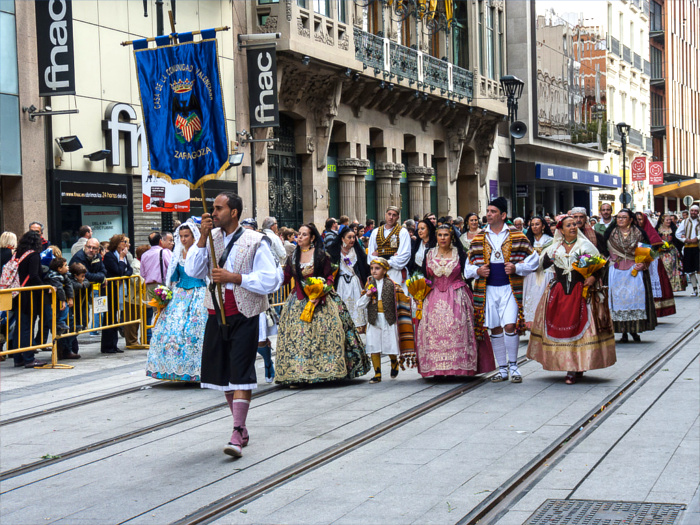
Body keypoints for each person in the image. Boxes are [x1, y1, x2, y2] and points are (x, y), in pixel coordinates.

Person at [185, 192, 283, 458]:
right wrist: (202, 238)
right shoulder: (210, 239)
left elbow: (272, 280)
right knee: (224, 371)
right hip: (215, 312)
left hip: (244, 313)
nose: (213, 213)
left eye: (219, 209)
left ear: (234, 212)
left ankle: (237, 430)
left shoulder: (256, 241)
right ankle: (240, 426)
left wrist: (235, 277)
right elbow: (192, 271)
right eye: (213, 208)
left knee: (240, 369)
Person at [274, 224, 370, 386]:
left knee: (326, 334)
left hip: (322, 300)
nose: (300, 237)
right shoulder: (293, 257)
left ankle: (328, 370)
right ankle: (298, 373)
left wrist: (322, 290)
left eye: (304, 235)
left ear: (312, 238)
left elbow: (330, 277)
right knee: (299, 338)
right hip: (298, 301)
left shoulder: (320, 256)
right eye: (299, 234)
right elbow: (285, 277)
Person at [527, 216, 616, 384]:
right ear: (561, 230)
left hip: (581, 291)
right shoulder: (554, 249)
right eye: (569, 225)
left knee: (580, 327)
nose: (573, 227)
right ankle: (570, 366)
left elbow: (601, 264)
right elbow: (539, 266)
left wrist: (594, 277)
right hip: (560, 293)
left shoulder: (585, 246)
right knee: (563, 329)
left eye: (574, 224)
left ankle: (575, 368)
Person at [465, 197, 539, 383]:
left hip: (510, 288)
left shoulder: (516, 235)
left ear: (503, 215)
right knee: (495, 327)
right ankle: (502, 368)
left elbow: (534, 259)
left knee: (510, 325)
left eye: (493, 212)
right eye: (488, 211)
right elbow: (467, 266)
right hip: (488, 288)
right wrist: (477, 271)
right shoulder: (480, 237)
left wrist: (517, 268)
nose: (488, 214)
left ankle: (514, 366)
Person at [416, 225, 487, 377]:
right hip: (433, 296)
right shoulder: (429, 254)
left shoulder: (460, 253)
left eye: (446, 235)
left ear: (451, 237)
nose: (443, 238)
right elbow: (424, 276)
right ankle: (436, 368)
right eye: (440, 235)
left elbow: (467, 273)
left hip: (456, 294)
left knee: (458, 327)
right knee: (432, 331)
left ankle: (458, 366)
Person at [147, 220, 207, 382]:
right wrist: (165, 292)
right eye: (180, 236)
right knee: (173, 330)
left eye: (186, 236)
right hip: (180, 294)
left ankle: (198, 370)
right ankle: (173, 368)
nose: (183, 239)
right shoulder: (177, 253)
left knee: (195, 331)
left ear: (194, 236)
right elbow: (173, 277)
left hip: (199, 293)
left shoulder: (200, 251)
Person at [604, 208, 657, 342]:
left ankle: (634, 330)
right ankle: (622, 332)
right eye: (618, 217)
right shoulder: (610, 232)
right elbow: (603, 249)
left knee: (634, 299)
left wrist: (644, 264)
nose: (620, 219)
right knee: (617, 301)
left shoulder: (639, 233)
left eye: (623, 217)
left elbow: (648, 251)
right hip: (616, 270)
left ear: (631, 220)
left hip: (634, 270)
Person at [357, 258, 412, 383]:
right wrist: (367, 295)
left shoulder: (392, 285)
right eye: (372, 268)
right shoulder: (369, 285)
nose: (374, 271)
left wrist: (416, 301)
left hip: (388, 319)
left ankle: (394, 361)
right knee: (373, 345)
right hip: (374, 319)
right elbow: (360, 305)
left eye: (377, 268)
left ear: (385, 270)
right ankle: (377, 374)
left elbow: (403, 299)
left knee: (389, 345)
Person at [8, 231, 47, 368]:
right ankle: (29, 358)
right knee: (27, 327)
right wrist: (47, 287)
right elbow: (34, 275)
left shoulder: (18, 253)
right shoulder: (34, 255)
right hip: (29, 296)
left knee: (20, 326)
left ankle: (18, 358)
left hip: (18, 294)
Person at [328, 227, 369, 333]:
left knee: (356, 305)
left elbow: (364, 267)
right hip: (341, 283)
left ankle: (358, 327)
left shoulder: (357, 251)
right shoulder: (335, 252)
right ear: (342, 238)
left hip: (354, 282)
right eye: (349, 237)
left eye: (353, 237)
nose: (352, 240)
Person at [636, 212, 676, 317]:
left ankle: (656, 310)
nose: (639, 222)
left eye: (640, 219)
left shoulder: (649, 231)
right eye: (637, 219)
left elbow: (654, 244)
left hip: (651, 263)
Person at [367, 206, 412, 293]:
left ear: (398, 217)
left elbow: (404, 254)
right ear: (385, 215)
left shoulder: (403, 232)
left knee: (395, 296)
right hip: (379, 272)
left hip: (395, 272)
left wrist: (385, 262)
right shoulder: (376, 232)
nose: (391, 217)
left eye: (394, 215)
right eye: (389, 214)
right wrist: (379, 264)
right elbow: (371, 255)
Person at [101, 234, 133, 354]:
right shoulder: (110, 256)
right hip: (110, 290)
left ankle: (114, 345)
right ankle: (107, 345)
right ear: (118, 243)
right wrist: (121, 260)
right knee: (109, 317)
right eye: (124, 242)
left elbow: (129, 270)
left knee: (115, 316)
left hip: (118, 289)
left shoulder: (124, 256)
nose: (126, 245)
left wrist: (124, 272)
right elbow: (118, 271)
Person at [140, 232, 173, 341]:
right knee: (164, 311)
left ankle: (147, 336)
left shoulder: (144, 255)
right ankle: (162, 335)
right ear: (160, 241)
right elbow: (171, 268)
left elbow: (142, 274)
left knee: (151, 312)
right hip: (162, 286)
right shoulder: (165, 252)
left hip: (149, 287)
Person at [522, 216, 554, 327]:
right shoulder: (527, 241)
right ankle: (531, 324)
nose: (535, 227)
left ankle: (545, 324)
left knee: (544, 298)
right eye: (532, 225)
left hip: (545, 272)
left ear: (543, 226)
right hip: (531, 274)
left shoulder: (550, 240)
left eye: (537, 224)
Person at [656, 214, 686, 292]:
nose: (669, 221)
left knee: (672, 269)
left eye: (670, 220)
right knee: (663, 269)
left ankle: (673, 287)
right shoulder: (657, 229)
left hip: (672, 252)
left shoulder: (673, 229)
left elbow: (678, 240)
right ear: (662, 221)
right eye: (667, 220)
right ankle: (664, 287)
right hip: (661, 253)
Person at [675, 205, 699, 296]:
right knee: (690, 269)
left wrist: (697, 238)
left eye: (695, 211)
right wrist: (685, 240)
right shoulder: (684, 222)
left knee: (699, 268)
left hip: (698, 247)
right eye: (692, 210)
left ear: (698, 212)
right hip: (688, 248)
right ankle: (695, 289)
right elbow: (677, 233)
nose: (693, 212)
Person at [45, 257, 73, 335]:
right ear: (60, 268)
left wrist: (71, 298)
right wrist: (63, 301)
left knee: (63, 309)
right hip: (50, 300)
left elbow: (69, 285)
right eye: (66, 265)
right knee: (52, 316)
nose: (68, 267)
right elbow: (60, 289)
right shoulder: (54, 276)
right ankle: (58, 325)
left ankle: (60, 324)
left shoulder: (64, 275)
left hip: (56, 299)